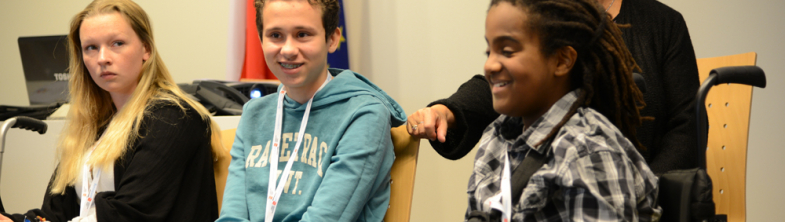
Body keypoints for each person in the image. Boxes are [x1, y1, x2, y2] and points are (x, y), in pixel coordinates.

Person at [409, 0, 700, 174]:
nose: (493, 63)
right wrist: (448, 111)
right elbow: (508, 79)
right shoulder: (542, 13)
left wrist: (645, 194)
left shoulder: (665, 24)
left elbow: (686, 126)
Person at [0, 0, 223, 221]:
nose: (102, 58)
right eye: (91, 48)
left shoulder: (173, 117)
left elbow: (129, 214)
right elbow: (54, 214)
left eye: (117, 43)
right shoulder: (93, 126)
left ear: (146, 49)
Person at [465, 0, 661, 221]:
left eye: (507, 51)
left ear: (562, 60)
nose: (490, 65)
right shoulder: (495, 139)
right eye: (489, 50)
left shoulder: (589, 152)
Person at [216, 0, 406, 222]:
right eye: (275, 35)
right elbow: (232, 217)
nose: (288, 50)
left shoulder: (364, 115)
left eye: (303, 34)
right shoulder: (253, 114)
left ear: (332, 39)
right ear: (260, 39)